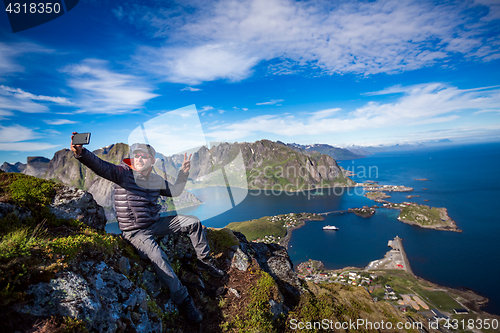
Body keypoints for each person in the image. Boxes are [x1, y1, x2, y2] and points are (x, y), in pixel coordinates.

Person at [70, 132, 224, 324]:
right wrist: (81, 152)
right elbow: (100, 166)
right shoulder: (123, 173)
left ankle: (205, 260)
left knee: (192, 222)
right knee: (159, 258)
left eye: (145, 156)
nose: (140, 158)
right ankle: (184, 300)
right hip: (135, 231)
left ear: (152, 160)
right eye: (137, 155)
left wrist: (183, 172)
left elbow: (175, 191)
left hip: (155, 223)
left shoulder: (155, 179)